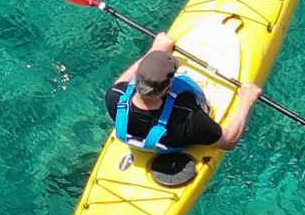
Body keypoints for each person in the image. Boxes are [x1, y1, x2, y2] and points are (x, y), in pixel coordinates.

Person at [105, 40, 262, 153]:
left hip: (140, 142)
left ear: (137, 78)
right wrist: (246, 101)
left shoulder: (114, 97)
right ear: (169, 87)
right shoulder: (189, 118)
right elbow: (228, 141)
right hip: (177, 145)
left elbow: (122, 81)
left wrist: (156, 49)